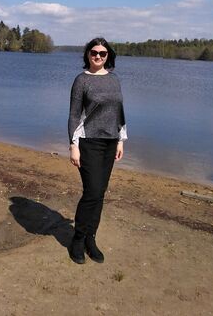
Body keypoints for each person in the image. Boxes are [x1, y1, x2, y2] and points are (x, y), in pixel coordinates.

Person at [68, 37, 127, 264]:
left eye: (103, 53)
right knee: (91, 191)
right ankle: (78, 239)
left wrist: (121, 139)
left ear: (108, 56)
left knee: (100, 192)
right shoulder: (81, 80)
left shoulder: (114, 79)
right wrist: (73, 145)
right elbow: (74, 115)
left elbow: (119, 111)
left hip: (110, 141)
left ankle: (90, 239)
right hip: (88, 141)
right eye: (94, 53)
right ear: (87, 54)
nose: (98, 57)